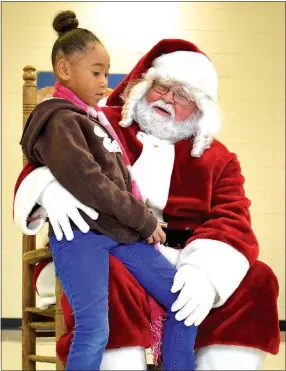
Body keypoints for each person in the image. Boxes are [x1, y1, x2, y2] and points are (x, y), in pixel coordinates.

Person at [14, 37, 280, 370]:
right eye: (162, 86)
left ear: (201, 108)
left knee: (258, 279)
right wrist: (49, 188)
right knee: (109, 280)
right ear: (144, 85)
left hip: (185, 256)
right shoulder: (102, 123)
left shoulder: (220, 159)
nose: (168, 99)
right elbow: (46, 159)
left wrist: (205, 273)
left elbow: (233, 218)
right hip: (110, 243)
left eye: (182, 94)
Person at [18, 11, 198, 371]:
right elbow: (90, 182)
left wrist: (138, 223)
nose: (104, 81)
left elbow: (117, 180)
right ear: (65, 70)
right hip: (81, 235)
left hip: (117, 229)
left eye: (106, 71)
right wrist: (144, 220)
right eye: (96, 72)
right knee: (93, 330)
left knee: (184, 303)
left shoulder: (92, 119)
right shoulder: (60, 119)